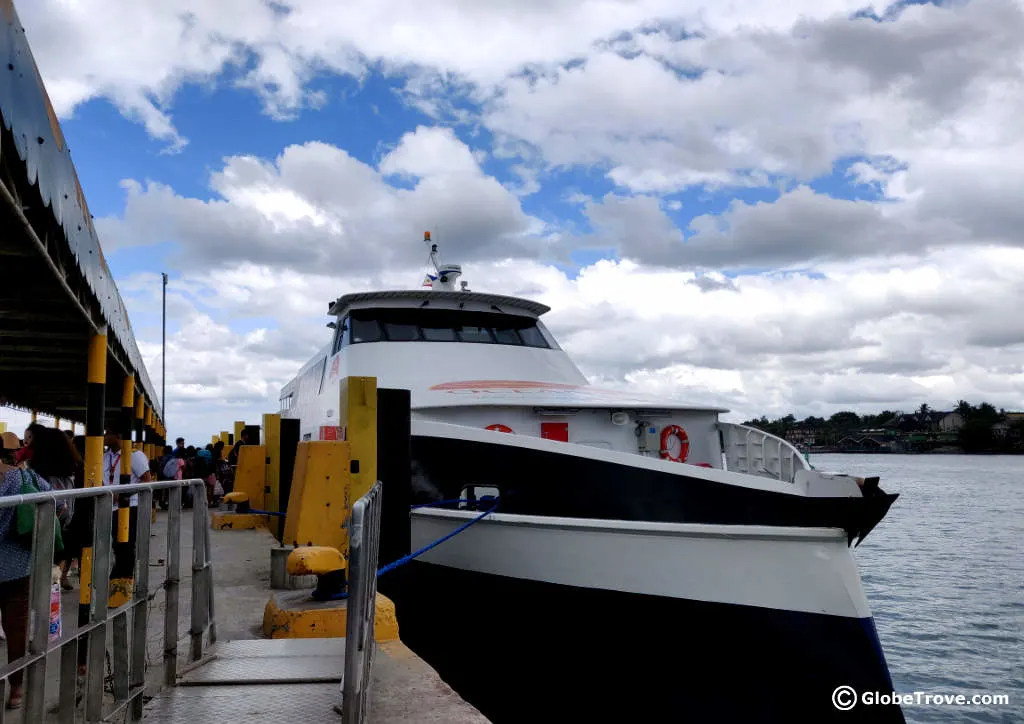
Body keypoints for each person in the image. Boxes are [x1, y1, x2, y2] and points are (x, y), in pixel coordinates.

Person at [0, 437, 63, 710]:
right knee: (16, 629)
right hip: (17, 565)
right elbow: (58, 504)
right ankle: (16, 689)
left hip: (14, 566)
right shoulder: (25, 477)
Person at [28, 429, 81, 590]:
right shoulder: (69, 476)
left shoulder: (37, 477)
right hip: (60, 537)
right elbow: (68, 512)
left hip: (39, 539)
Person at [102, 430, 151, 580]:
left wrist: (124, 494)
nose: (104, 437)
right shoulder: (106, 456)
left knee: (125, 544)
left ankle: (123, 578)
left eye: (107, 433)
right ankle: (119, 576)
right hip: (110, 506)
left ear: (118, 436)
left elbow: (146, 480)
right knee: (117, 545)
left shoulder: (134, 455)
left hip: (130, 506)